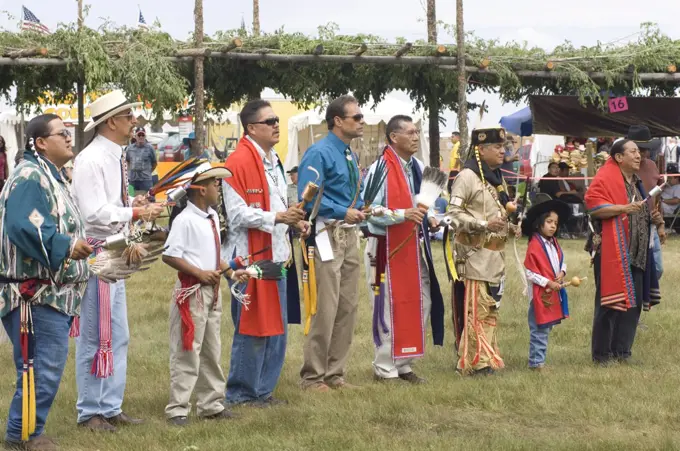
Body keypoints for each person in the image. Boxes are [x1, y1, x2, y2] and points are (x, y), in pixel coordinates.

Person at [72, 90, 164, 431]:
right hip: (98, 253)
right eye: (128, 117)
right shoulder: (91, 159)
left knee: (118, 334)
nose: (134, 122)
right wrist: (136, 210)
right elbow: (93, 212)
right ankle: (90, 411)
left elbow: (110, 205)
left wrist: (133, 206)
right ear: (111, 122)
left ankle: (109, 407)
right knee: (96, 335)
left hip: (115, 250)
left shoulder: (114, 156)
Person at [0, 115, 93, 451]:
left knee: (43, 367)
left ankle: (26, 431)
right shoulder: (30, 177)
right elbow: (27, 225)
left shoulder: (50, 177)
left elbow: (47, 222)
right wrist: (66, 245)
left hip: (48, 294)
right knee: (42, 368)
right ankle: (22, 435)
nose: (69, 139)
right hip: (34, 295)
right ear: (40, 142)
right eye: (62, 134)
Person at [223, 100, 307, 406]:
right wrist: (277, 219)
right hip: (249, 259)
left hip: (278, 254)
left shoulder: (274, 160)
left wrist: (294, 222)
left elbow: (277, 207)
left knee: (277, 328)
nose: (276, 124)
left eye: (276, 119)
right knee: (251, 329)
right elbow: (237, 214)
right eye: (269, 120)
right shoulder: (237, 163)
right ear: (251, 128)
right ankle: (241, 393)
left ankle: (263, 390)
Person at [162, 162, 247, 426]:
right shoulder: (185, 220)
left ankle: (211, 404)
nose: (218, 188)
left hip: (212, 292)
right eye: (214, 184)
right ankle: (178, 408)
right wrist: (199, 274)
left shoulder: (211, 217)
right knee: (188, 349)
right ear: (200, 190)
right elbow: (170, 255)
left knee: (211, 348)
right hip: (192, 293)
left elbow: (215, 255)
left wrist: (229, 272)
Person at [362, 115, 444, 384]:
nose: (416, 136)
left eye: (417, 131)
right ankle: (385, 368)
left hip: (412, 245)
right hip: (385, 246)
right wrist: (401, 214)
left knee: (421, 301)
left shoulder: (418, 166)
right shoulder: (380, 169)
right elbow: (369, 211)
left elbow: (424, 201)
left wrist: (430, 215)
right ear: (393, 137)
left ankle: (404, 362)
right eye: (410, 132)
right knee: (389, 306)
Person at [298, 95, 366, 392]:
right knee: (325, 306)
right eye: (357, 117)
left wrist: (362, 207)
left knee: (347, 305)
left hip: (348, 234)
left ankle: (335, 373)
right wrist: (342, 210)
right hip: (325, 234)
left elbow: (351, 191)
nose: (361, 122)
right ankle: (313, 376)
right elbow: (307, 195)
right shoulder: (319, 152)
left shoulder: (349, 152)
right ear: (338, 121)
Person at [447, 126, 520, 376]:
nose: (503, 151)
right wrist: (483, 225)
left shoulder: (495, 178)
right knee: (476, 308)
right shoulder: (467, 177)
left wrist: (510, 227)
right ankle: (475, 360)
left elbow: (496, 212)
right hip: (474, 254)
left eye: (504, 147)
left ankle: (487, 356)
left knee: (490, 309)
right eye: (498, 147)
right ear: (481, 149)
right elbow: (453, 214)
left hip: (495, 255)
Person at [585, 139, 661, 365]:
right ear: (619, 157)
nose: (639, 155)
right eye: (633, 152)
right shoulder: (606, 177)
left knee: (633, 304)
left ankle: (622, 352)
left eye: (639, 151)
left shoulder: (636, 182)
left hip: (637, 252)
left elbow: (639, 211)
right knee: (609, 304)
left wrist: (652, 218)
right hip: (612, 251)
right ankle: (601, 355)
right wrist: (623, 208)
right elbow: (594, 206)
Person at [522, 199, 572, 371]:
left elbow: (562, 262)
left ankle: (538, 359)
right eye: (549, 222)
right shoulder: (535, 245)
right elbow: (530, 272)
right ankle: (536, 363)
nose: (553, 226)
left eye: (556, 223)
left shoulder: (554, 243)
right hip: (539, 295)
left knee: (545, 328)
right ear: (539, 223)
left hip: (551, 293)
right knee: (539, 329)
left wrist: (562, 273)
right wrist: (548, 282)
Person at [628, 125, 665, 278]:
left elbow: (657, 194)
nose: (642, 153)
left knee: (657, 268)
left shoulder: (651, 165)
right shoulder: (622, 167)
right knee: (634, 268)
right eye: (638, 149)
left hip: (650, 224)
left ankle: (646, 299)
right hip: (630, 224)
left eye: (645, 149)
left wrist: (660, 223)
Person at [125, 127, 157, 197]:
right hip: (132, 180)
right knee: (130, 198)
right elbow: (127, 161)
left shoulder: (150, 148)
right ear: (135, 136)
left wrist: (148, 172)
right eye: (139, 135)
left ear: (145, 136)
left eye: (143, 135)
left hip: (146, 180)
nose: (141, 137)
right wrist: (130, 172)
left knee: (149, 199)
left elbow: (154, 163)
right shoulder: (129, 148)